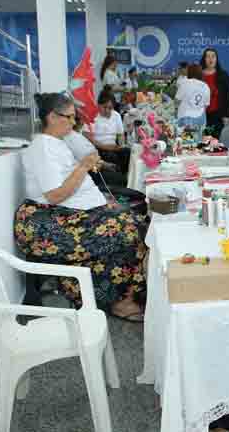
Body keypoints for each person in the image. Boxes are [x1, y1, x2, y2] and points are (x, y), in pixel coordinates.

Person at [16, 93, 148, 321]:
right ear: (51, 117)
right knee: (129, 228)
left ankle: (113, 296)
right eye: (67, 117)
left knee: (134, 217)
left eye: (73, 117)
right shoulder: (42, 147)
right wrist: (84, 166)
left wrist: (99, 196)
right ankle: (121, 300)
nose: (72, 122)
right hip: (45, 223)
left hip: (67, 214)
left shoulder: (58, 142)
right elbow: (55, 195)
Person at [86, 88, 130, 173]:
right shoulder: (93, 116)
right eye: (104, 107)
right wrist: (107, 147)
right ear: (98, 105)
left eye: (110, 108)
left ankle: (123, 177)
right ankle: (116, 177)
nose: (107, 110)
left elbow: (120, 135)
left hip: (113, 147)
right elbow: (89, 139)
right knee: (111, 157)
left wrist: (121, 145)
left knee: (127, 153)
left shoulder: (116, 115)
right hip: (99, 149)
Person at [200, 48, 229, 139]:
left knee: (213, 141)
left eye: (213, 56)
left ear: (216, 59)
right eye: (208, 56)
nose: (210, 59)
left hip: (217, 114)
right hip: (200, 114)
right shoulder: (198, 74)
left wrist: (227, 115)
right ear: (204, 59)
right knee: (200, 141)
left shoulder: (223, 75)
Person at [176, 64, 210, 135]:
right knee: (197, 140)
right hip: (200, 118)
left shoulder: (185, 83)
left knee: (185, 139)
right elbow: (206, 105)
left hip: (185, 117)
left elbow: (177, 100)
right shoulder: (206, 86)